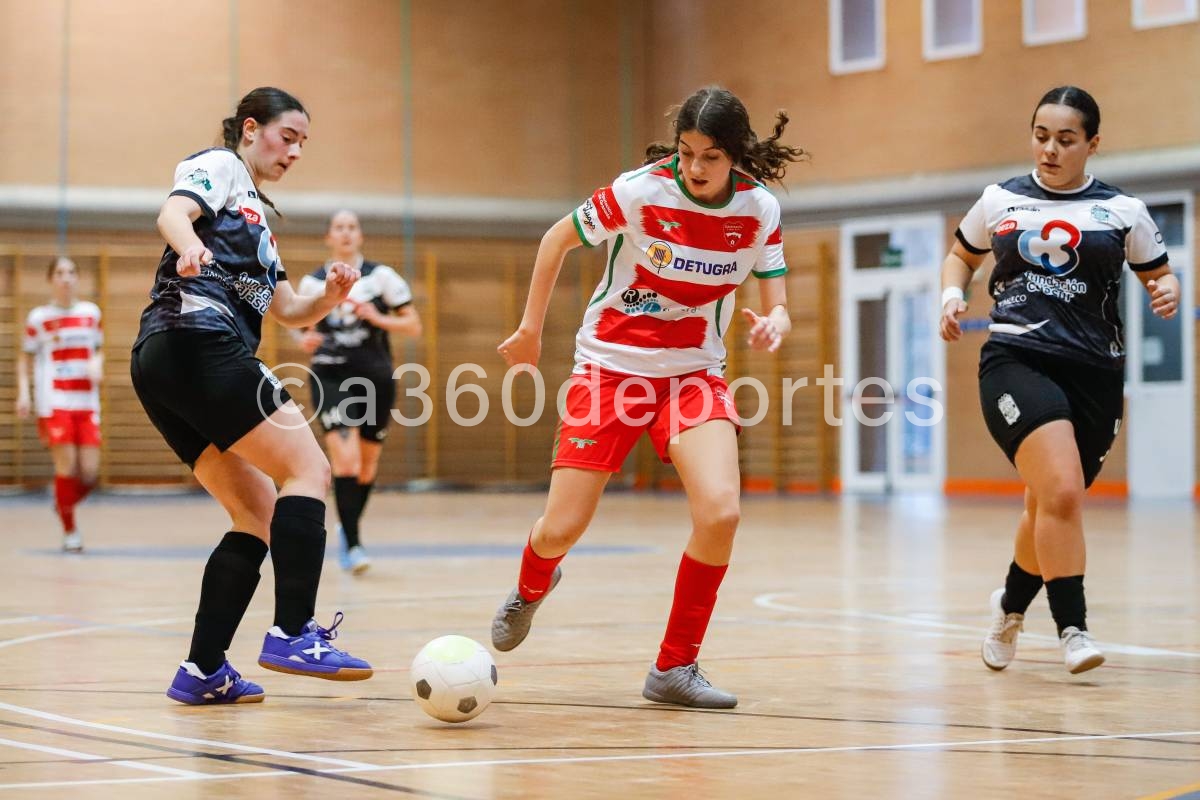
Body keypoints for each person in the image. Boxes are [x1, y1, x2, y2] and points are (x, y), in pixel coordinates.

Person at [489, 86, 803, 708]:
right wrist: (529, 331)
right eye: (687, 153)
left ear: (735, 155)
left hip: (693, 377)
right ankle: (531, 585)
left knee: (721, 512)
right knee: (562, 527)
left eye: (710, 156)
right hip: (610, 369)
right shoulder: (639, 191)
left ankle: (673, 668)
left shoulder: (759, 210)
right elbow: (556, 239)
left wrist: (777, 324)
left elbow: (779, 303)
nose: (694, 168)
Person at [130, 87, 373, 705]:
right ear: (249, 128)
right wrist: (188, 246)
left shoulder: (258, 221)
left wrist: (329, 298)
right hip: (196, 336)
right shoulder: (222, 167)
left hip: (167, 361)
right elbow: (173, 213)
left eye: (302, 144)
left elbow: (289, 310)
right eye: (287, 137)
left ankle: (203, 670)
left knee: (256, 513)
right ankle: (294, 631)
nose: (294, 152)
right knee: (309, 468)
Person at [939, 86, 1178, 675]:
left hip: (1096, 371)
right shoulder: (999, 200)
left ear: (1092, 144)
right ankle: (1073, 628)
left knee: (1048, 504)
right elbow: (961, 255)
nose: (1050, 149)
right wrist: (952, 293)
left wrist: (1167, 290)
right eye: (1041, 136)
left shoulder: (1123, 211)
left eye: (1066, 140)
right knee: (1064, 492)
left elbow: (1158, 274)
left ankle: (1010, 611)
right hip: (1017, 360)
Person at [297, 210, 422, 575]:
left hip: (375, 378)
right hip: (330, 376)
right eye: (339, 228)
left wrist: (377, 316)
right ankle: (353, 544)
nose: (346, 233)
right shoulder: (311, 283)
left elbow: (412, 325)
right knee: (346, 461)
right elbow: (298, 327)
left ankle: (347, 525)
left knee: (366, 467)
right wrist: (303, 338)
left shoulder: (381, 278)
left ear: (360, 235)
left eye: (352, 227)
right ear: (328, 237)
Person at [17, 257, 103, 553]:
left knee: (90, 473)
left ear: (77, 278)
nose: (66, 278)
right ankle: (71, 531)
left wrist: (97, 363)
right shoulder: (38, 317)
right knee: (66, 468)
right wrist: (24, 394)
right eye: (60, 273)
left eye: (71, 272)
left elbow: (97, 349)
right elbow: (24, 358)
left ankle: (63, 503)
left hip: (87, 401)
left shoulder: (91, 313)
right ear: (51, 279)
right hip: (54, 401)